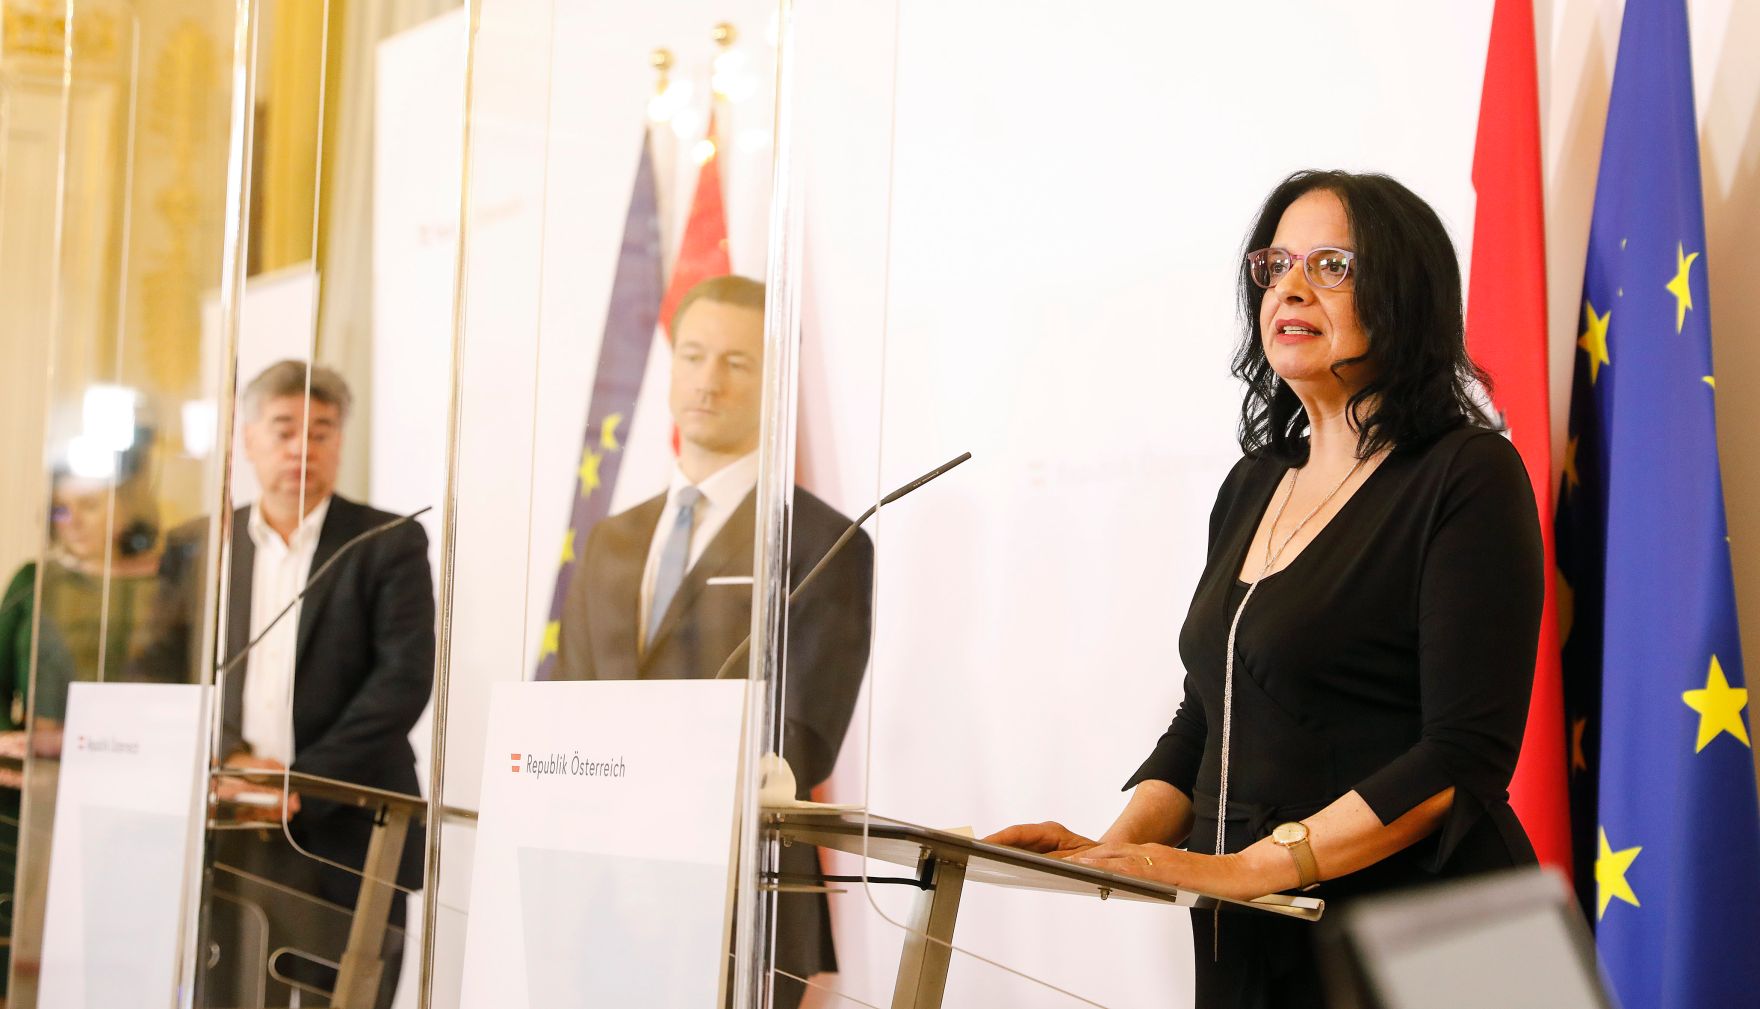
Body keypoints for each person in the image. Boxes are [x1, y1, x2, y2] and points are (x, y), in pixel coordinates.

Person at [987, 171, 1544, 1008]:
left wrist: (1242, 867)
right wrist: (1113, 849)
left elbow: (1459, 760)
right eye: (1276, 263)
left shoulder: (1466, 475)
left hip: (1428, 942)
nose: (1289, 286)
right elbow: (1211, 708)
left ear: (1405, 292)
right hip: (1255, 932)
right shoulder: (1255, 483)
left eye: (1331, 265)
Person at [555, 275, 874, 1009]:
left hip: (738, 893)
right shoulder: (610, 538)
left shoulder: (825, 542)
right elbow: (568, 706)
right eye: (693, 355)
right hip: (595, 900)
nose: (708, 380)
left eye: (738, 363)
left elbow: (803, 739)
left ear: (775, 384)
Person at [133, 361, 434, 1009]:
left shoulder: (387, 540)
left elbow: (402, 680)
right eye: (284, 429)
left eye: (322, 431)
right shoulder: (197, 545)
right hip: (231, 823)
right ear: (248, 439)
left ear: (341, 442)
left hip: (354, 834)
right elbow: (159, 671)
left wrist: (299, 786)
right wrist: (234, 760)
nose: (303, 447)